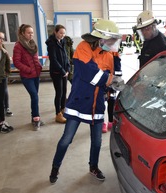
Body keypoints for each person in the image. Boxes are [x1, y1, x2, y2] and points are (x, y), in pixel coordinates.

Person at [49, 19, 124, 184]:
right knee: (66, 139)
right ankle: (55, 167)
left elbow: (111, 76)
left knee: (97, 141)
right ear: (100, 38)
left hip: (97, 104)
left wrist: (113, 87)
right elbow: (89, 73)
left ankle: (93, 167)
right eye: (110, 40)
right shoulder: (83, 47)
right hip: (78, 101)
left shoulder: (110, 54)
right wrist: (111, 80)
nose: (112, 44)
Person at [13, 24, 44, 131]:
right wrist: (29, 70)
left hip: (36, 75)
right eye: (28, 33)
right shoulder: (18, 46)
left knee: (34, 97)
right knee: (34, 96)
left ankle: (34, 117)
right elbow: (16, 62)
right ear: (22, 33)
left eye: (32, 32)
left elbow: (35, 59)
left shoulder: (32, 44)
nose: (31, 35)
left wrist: (39, 67)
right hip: (27, 76)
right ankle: (36, 119)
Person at [45, 24, 70, 124]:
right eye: (60, 33)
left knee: (64, 91)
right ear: (55, 32)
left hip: (64, 72)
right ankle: (58, 114)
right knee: (59, 93)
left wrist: (67, 68)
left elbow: (66, 56)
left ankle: (63, 109)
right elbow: (54, 60)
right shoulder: (51, 44)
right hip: (57, 73)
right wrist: (62, 71)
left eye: (64, 33)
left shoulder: (63, 41)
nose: (62, 35)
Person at [102, 51, 122, 133]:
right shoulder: (100, 51)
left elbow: (118, 67)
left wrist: (116, 79)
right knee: (102, 102)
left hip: (113, 81)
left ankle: (111, 121)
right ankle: (102, 122)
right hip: (103, 80)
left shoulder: (115, 53)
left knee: (112, 101)